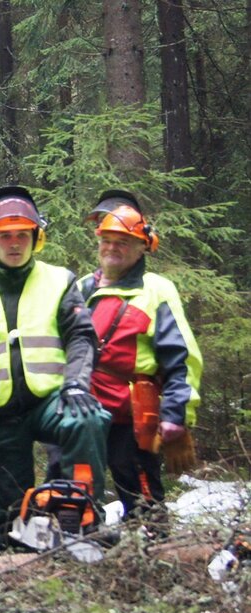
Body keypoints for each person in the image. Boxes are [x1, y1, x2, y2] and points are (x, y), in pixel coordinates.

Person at [0, 186, 110, 534]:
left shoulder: (59, 281)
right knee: (14, 521)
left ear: (36, 237)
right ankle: (18, 547)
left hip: (50, 401)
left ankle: (80, 512)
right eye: (7, 236)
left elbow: (81, 336)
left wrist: (76, 383)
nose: (15, 244)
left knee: (87, 419)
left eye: (22, 236)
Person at [77, 190, 202, 526]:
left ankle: (151, 547)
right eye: (107, 240)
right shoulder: (82, 289)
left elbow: (182, 358)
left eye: (123, 242)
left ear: (141, 247)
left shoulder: (156, 290)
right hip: (85, 410)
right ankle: (81, 544)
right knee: (78, 485)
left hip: (132, 413)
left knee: (139, 490)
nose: (113, 248)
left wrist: (176, 417)